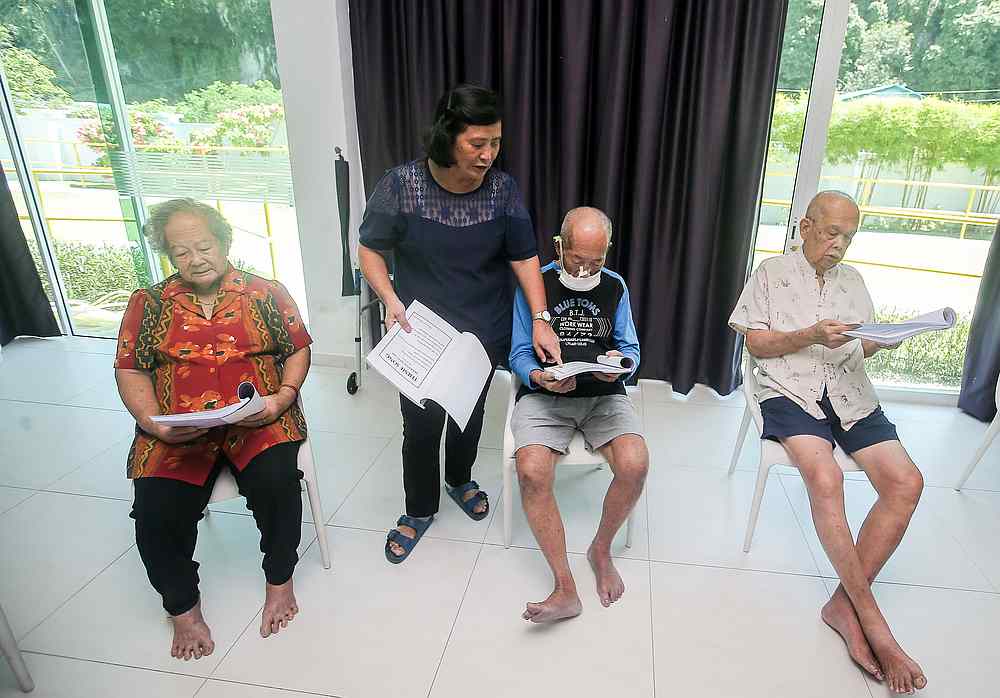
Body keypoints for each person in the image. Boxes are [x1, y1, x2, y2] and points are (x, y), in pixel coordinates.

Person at [729, 191, 927, 694]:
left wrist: (880, 340)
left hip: (850, 392)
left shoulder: (853, 282)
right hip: (789, 390)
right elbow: (755, 343)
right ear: (805, 226)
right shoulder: (772, 274)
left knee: (907, 483)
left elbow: (860, 342)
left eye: (849, 238)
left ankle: (844, 602)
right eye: (831, 233)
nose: (839, 246)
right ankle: (874, 623)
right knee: (826, 476)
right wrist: (809, 335)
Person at [359, 83, 560, 564]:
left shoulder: (502, 190)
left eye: (495, 142)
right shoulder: (402, 185)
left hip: (482, 327)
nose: (489, 154)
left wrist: (540, 317)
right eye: (478, 143)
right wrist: (387, 296)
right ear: (448, 137)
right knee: (422, 424)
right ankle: (419, 509)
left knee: (469, 413)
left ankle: (459, 479)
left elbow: (525, 256)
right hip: (421, 332)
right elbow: (370, 247)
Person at [114, 198, 312, 660]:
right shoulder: (149, 302)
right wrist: (152, 424)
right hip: (178, 427)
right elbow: (130, 369)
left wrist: (283, 396)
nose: (195, 258)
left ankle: (279, 582)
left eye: (203, 246)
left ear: (223, 242)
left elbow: (298, 347)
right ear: (168, 255)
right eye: (181, 252)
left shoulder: (266, 292)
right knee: (155, 514)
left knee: (279, 486)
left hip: (259, 416)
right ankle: (183, 609)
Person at [509, 207, 648, 622]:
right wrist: (538, 375)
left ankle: (600, 549)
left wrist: (618, 365)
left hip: (602, 394)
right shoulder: (537, 285)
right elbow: (517, 352)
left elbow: (632, 351)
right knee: (532, 470)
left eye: (597, 261)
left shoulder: (615, 286)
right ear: (559, 246)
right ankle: (564, 586)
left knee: (635, 464)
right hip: (546, 395)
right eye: (577, 260)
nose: (586, 272)